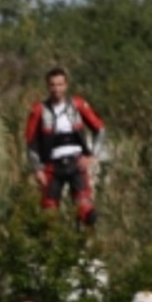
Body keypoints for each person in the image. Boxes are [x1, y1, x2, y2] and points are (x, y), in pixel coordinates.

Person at [24, 67, 105, 227]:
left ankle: (83, 245)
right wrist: (37, 169)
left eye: (60, 85)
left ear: (66, 85)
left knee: (86, 210)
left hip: (77, 163)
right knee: (48, 214)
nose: (56, 89)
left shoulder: (78, 105)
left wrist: (93, 155)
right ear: (48, 86)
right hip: (52, 166)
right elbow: (30, 142)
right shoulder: (39, 110)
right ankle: (53, 247)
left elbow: (100, 130)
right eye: (53, 85)